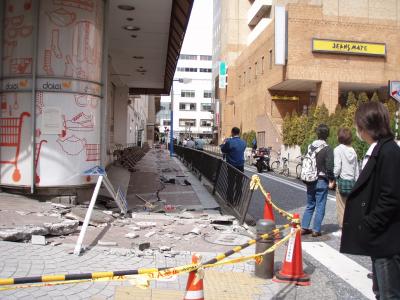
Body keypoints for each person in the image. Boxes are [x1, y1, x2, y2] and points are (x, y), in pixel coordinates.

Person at [340, 102, 400, 299]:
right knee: (380, 292)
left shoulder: (389, 152)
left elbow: (391, 197)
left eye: (359, 126)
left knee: (389, 294)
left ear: (367, 127)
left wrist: (370, 223)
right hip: (381, 238)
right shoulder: (380, 149)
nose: (358, 130)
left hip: (387, 240)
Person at [301, 124, 335, 237]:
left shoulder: (310, 146)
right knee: (320, 205)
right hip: (321, 180)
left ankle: (304, 227)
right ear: (327, 135)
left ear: (317, 134)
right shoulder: (327, 148)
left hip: (310, 179)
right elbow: (330, 167)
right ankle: (316, 230)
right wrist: (331, 179)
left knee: (310, 204)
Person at [333, 128, 359, 229]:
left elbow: (337, 167)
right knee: (350, 208)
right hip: (352, 183)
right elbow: (356, 168)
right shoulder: (353, 150)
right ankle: (350, 229)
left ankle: (343, 230)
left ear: (339, 137)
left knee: (341, 208)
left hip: (342, 183)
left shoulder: (338, 149)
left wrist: (332, 177)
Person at [220, 127, 246, 205]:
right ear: (239, 133)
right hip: (241, 165)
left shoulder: (229, 142)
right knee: (239, 183)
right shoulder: (243, 142)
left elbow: (223, 150)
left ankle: (230, 201)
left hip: (231, 165)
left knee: (231, 183)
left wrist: (222, 146)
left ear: (232, 132)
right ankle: (238, 201)